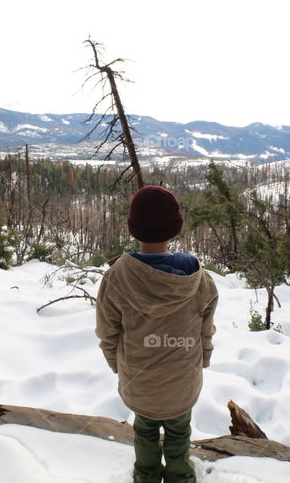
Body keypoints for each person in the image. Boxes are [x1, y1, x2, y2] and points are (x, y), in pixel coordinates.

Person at [95, 185, 219, 483]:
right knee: (179, 431)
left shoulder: (116, 278)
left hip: (140, 381)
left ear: (132, 228)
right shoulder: (200, 280)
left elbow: (107, 333)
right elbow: (206, 332)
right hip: (182, 381)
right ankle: (180, 475)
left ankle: (146, 475)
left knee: (145, 431)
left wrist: (118, 367)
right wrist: (203, 360)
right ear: (175, 228)